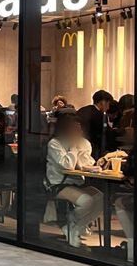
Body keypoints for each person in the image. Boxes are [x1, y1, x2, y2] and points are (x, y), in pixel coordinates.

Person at [45, 114, 103, 248]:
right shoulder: (55, 144)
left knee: (101, 198)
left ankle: (75, 226)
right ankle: (72, 225)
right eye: (75, 128)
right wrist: (73, 148)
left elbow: (85, 164)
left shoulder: (84, 143)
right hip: (58, 184)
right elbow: (67, 165)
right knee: (87, 201)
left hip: (77, 182)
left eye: (79, 128)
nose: (79, 132)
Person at [76, 89, 115, 156]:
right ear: (103, 102)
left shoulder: (82, 110)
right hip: (91, 148)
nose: (108, 108)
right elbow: (106, 133)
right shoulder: (100, 115)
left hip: (78, 144)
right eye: (108, 104)